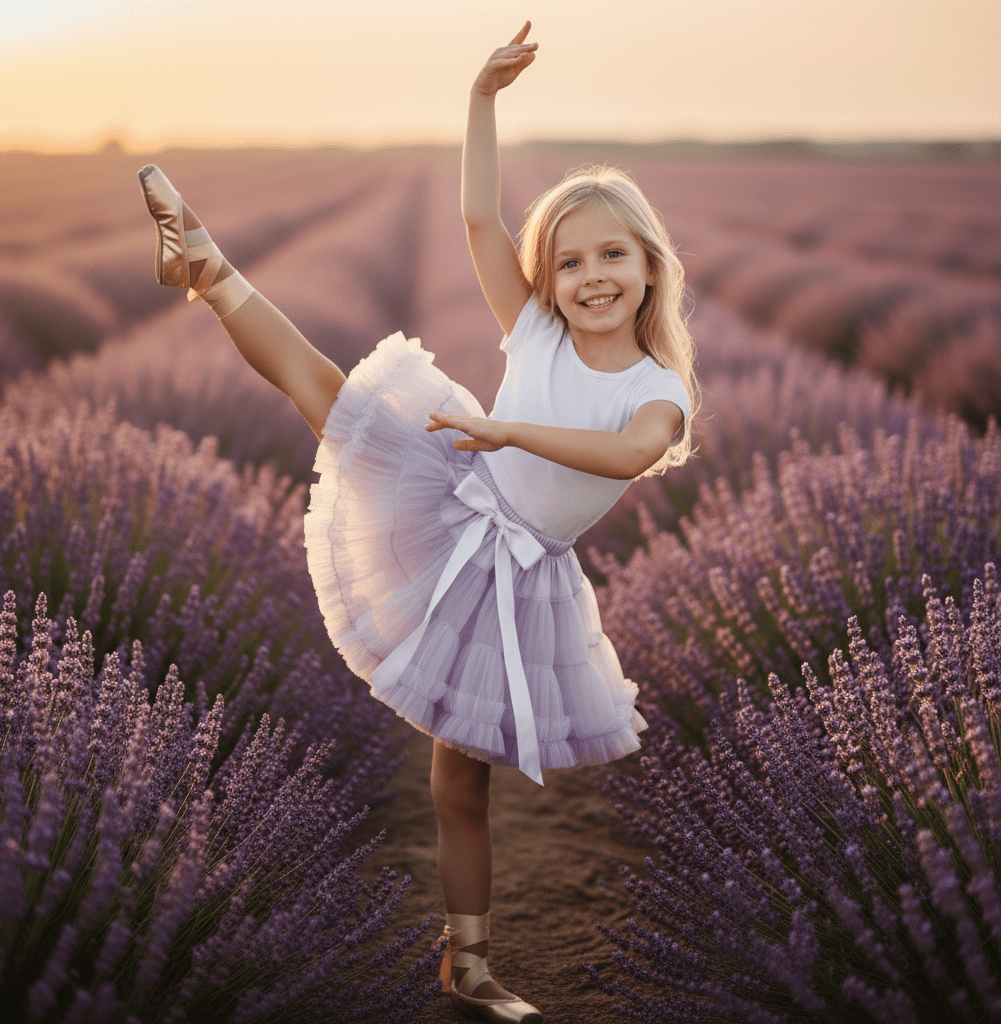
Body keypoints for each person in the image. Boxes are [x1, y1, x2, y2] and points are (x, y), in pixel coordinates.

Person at [136, 22, 696, 1024]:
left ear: (650, 266)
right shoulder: (535, 328)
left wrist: (505, 425)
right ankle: (209, 267)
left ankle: (465, 964)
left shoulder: (657, 388)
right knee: (327, 394)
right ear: (551, 279)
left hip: (519, 576)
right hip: (454, 502)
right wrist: (481, 99)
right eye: (569, 262)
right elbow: (481, 217)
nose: (591, 276)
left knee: (460, 784)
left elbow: (626, 453)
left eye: (613, 253)